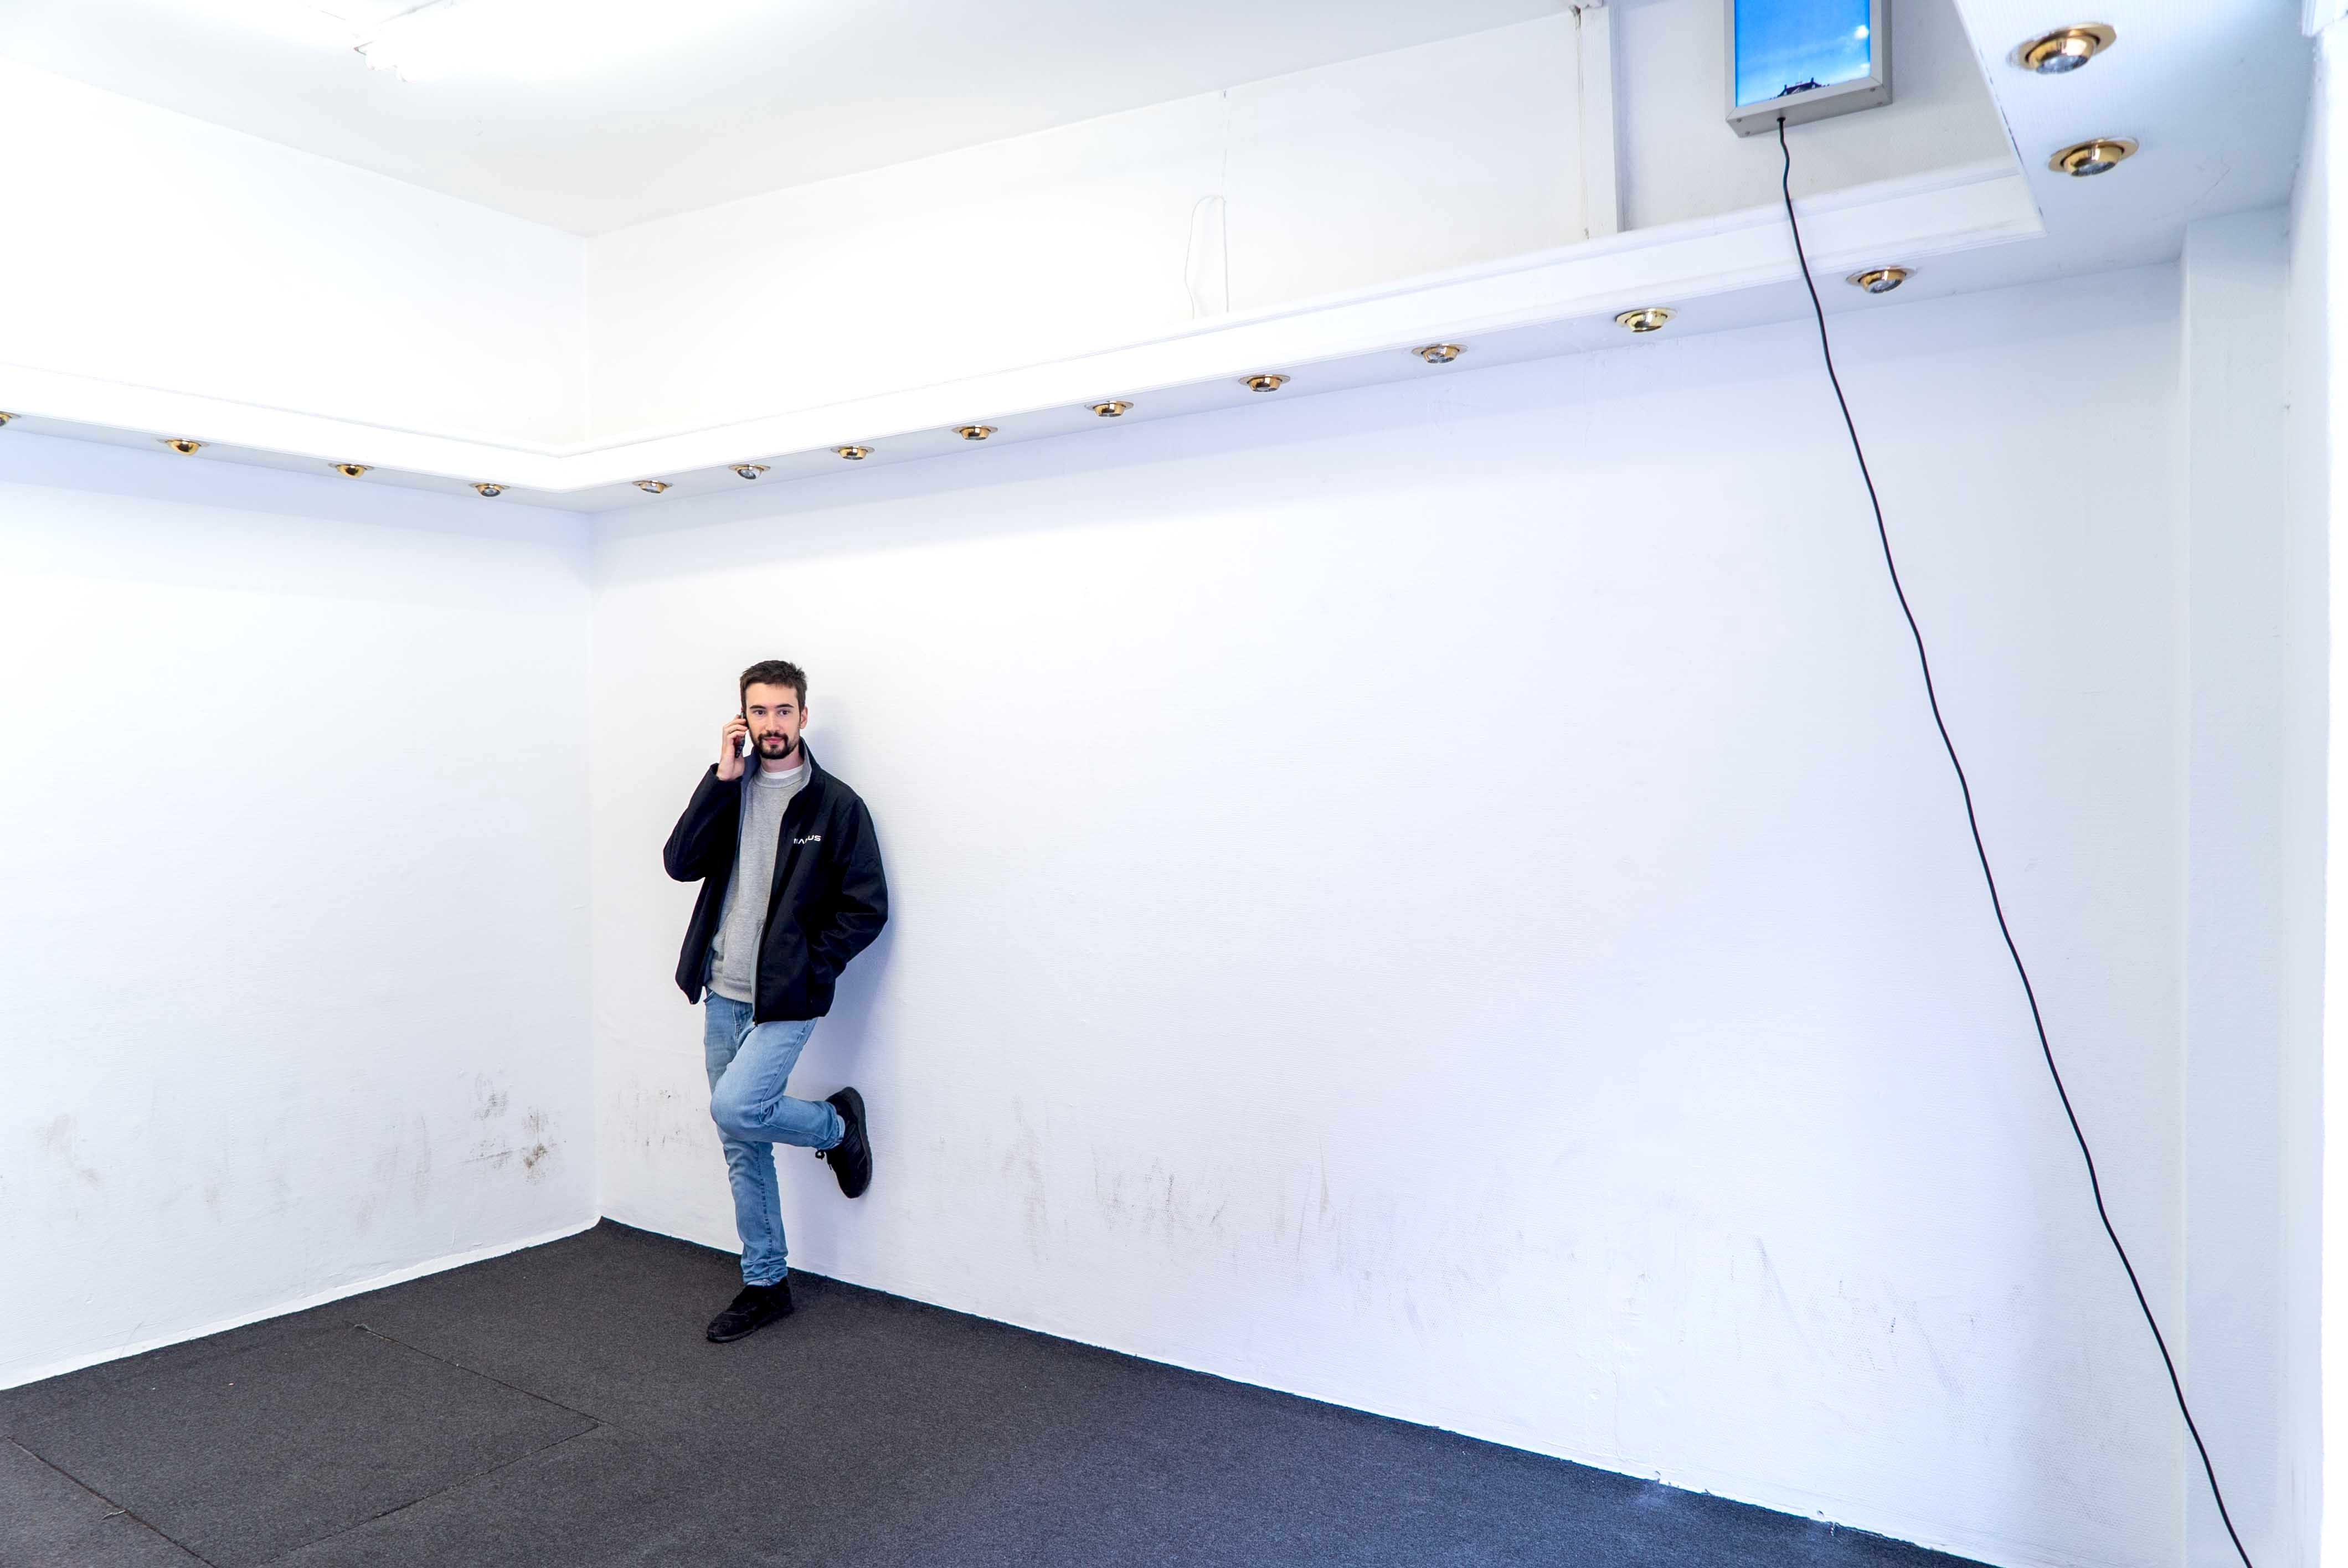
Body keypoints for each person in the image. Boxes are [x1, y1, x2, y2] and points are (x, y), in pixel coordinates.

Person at [662, 658, 888, 1343]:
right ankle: (766, 1283)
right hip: (722, 990)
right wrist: (719, 779)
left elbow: (866, 908)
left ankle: (836, 1128)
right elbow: (679, 863)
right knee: (742, 1142)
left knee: (737, 1107)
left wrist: (809, 969)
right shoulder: (731, 788)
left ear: (802, 716)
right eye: (758, 712)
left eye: (783, 711)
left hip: (786, 999)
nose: (771, 724)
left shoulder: (836, 806)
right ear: (743, 719)